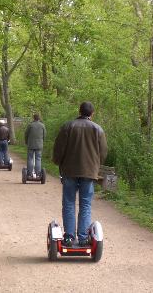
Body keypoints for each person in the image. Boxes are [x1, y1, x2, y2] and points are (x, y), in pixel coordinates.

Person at [52, 101, 107, 247]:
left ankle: (69, 237)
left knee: (69, 203)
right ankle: (83, 238)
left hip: (69, 170)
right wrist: (96, 165)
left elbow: (59, 148)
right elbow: (103, 152)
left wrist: (57, 161)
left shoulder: (68, 126)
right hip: (89, 172)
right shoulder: (98, 129)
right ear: (92, 113)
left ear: (79, 111)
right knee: (85, 204)